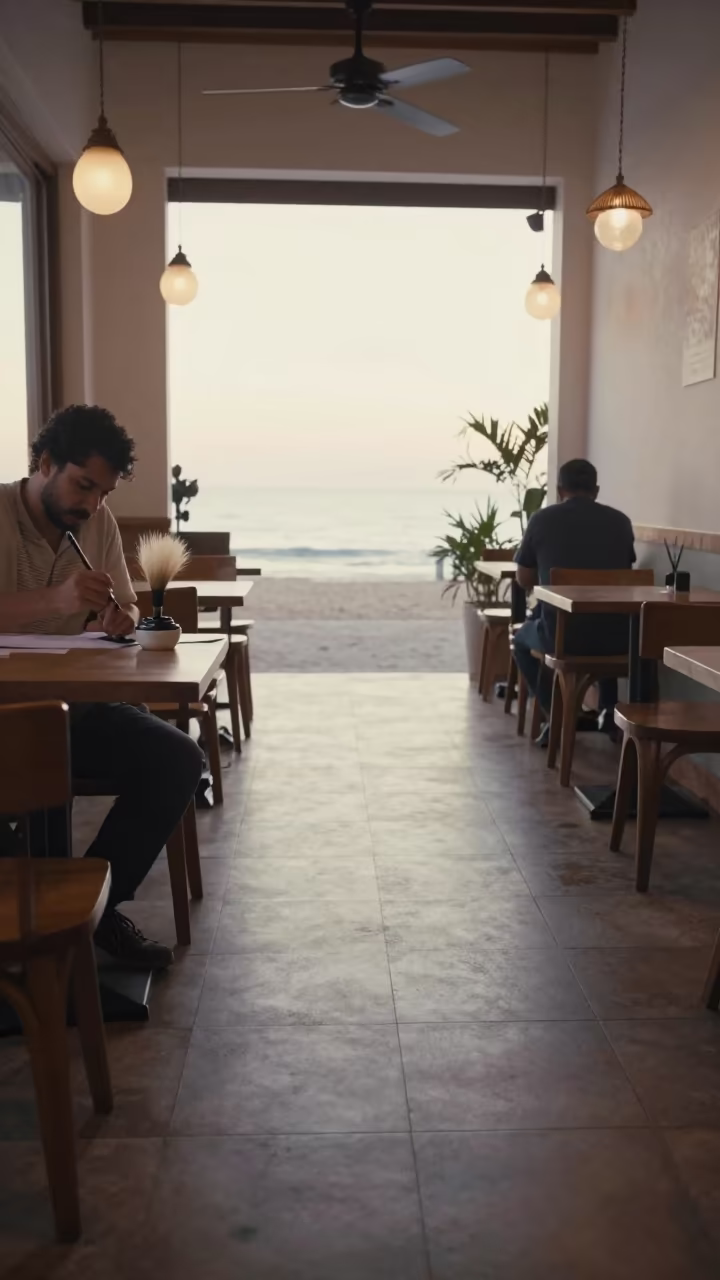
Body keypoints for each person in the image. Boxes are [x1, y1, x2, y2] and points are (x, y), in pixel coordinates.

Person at [0, 404, 203, 969]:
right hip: (5, 721)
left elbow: (130, 605)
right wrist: (57, 602)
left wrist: (122, 619)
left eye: (103, 493)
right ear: (44, 463)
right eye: (83, 485)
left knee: (179, 759)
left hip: (76, 711)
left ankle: (96, 912)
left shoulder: (97, 523)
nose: (90, 504)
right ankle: (39, 922)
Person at [513, 458, 636, 742]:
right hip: (619, 639)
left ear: (559, 490)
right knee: (603, 618)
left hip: (561, 637)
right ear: (596, 489)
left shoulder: (542, 519)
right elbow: (624, 575)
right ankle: (608, 712)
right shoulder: (620, 521)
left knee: (520, 643)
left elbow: (523, 579)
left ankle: (556, 716)